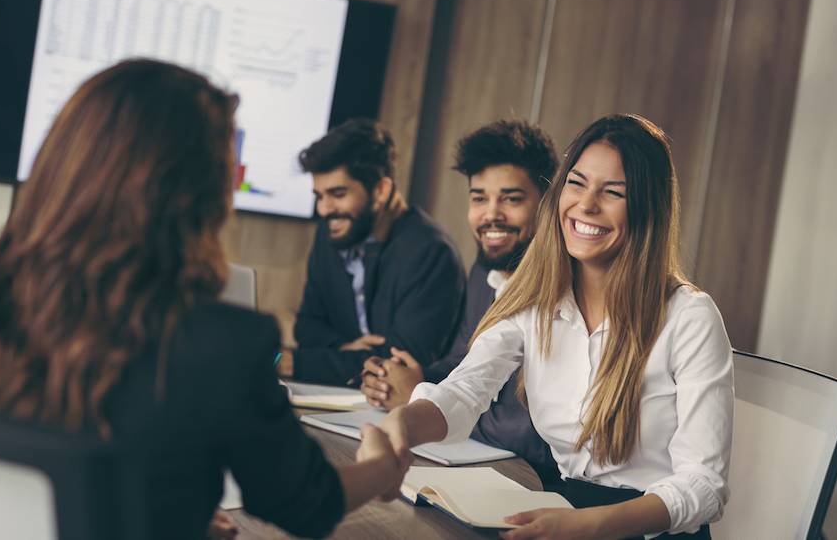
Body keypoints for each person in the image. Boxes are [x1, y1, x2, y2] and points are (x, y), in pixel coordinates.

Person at [0, 60, 407, 540]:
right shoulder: (220, 343)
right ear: (197, 195)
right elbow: (306, 504)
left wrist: (165, 510)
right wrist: (383, 466)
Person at [379, 114, 734, 540]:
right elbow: (465, 392)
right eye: (577, 183)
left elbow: (704, 486)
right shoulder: (535, 298)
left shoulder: (690, 317)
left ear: (647, 208)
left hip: (646, 529)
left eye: (613, 192)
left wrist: (590, 526)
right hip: (561, 509)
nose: (586, 205)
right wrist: (401, 427)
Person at [359, 120, 560, 476]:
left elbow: (536, 432)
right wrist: (411, 378)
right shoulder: (484, 272)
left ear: (547, 204)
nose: (491, 214)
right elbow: (462, 360)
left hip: (536, 479)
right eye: (479, 198)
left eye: (511, 199)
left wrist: (421, 401)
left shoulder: (565, 290)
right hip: (475, 463)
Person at [280, 118, 465, 386]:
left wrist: (295, 363)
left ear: (381, 190)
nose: (324, 209)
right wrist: (345, 348)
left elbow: (399, 364)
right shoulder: (331, 233)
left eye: (338, 194)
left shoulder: (432, 253)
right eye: (319, 196)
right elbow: (307, 326)